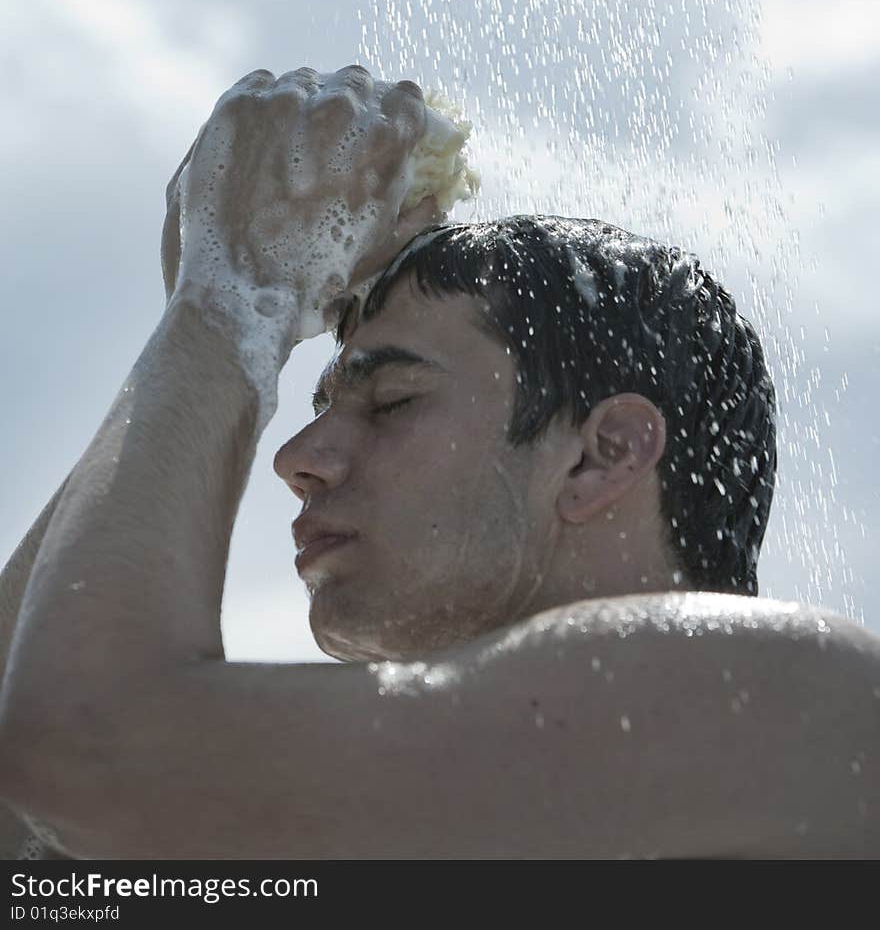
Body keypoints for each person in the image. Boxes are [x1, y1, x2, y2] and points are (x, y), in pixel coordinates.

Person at [0, 66, 877, 861]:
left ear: (601, 456)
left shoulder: (778, 693)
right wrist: (213, 312)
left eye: (391, 403)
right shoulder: (449, 816)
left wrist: (226, 304)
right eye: (320, 408)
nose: (297, 460)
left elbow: (82, 741)